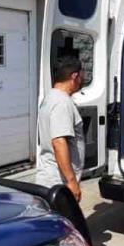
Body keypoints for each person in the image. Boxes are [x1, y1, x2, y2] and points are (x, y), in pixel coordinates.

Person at [36, 56, 85, 200]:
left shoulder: (50, 97)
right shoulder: (62, 103)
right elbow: (58, 141)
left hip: (51, 175)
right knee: (63, 221)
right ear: (74, 76)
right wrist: (71, 181)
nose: (82, 80)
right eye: (81, 76)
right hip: (58, 180)